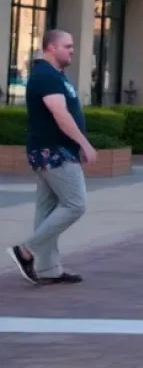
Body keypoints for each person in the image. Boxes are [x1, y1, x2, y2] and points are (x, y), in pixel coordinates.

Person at [6, 29, 95, 285]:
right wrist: (84, 144)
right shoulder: (45, 75)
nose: (72, 50)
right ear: (51, 48)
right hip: (55, 152)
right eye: (68, 46)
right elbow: (60, 114)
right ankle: (25, 250)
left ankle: (47, 269)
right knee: (75, 204)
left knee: (47, 210)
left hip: (52, 151)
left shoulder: (54, 75)